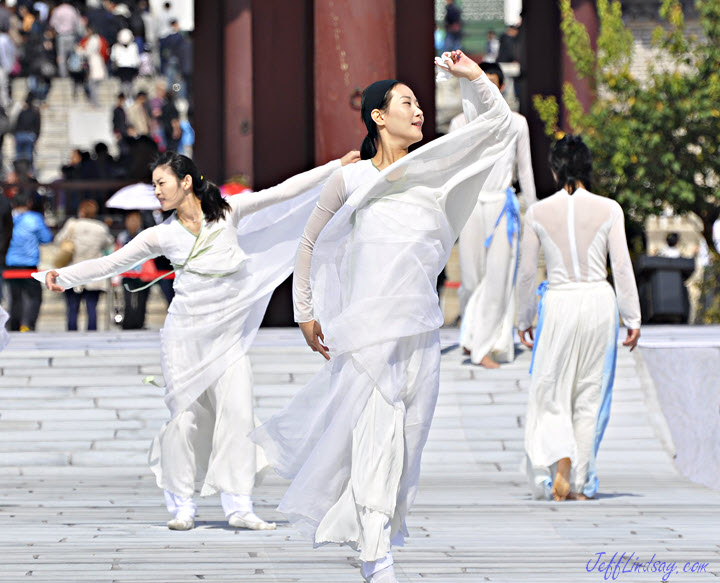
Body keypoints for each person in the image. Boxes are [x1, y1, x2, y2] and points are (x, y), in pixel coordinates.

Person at [251, 51, 519, 583]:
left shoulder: (436, 175)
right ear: (378, 115)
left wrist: (474, 78)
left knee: (409, 441)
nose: (418, 111)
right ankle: (378, 555)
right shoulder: (350, 181)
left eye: (419, 103)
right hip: (369, 332)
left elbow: (501, 127)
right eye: (407, 103)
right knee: (377, 436)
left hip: (421, 332)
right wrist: (306, 312)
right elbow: (307, 243)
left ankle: (375, 530)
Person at [37, 149, 360, 531]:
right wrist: (64, 276)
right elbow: (113, 263)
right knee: (186, 420)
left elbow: (283, 192)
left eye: (162, 183)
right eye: (154, 185)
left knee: (237, 412)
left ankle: (239, 504)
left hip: (227, 338)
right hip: (184, 337)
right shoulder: (161, 234)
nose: (156, 191)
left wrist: (336, 167)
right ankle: (182, 504)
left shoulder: (229, 211)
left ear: (186, 181)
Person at [517, 135, 641, 502]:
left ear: (555, 170)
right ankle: (582, 481)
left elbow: (526, 273)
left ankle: (560, 460)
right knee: (590, 394)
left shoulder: (537, 213)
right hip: (598, 301)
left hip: (558, 302)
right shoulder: (609, 209)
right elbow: (620, 265)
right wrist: (631, 316)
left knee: (551, 390)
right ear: (587, 168)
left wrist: (523, 319)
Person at [448, 61, 536, 368]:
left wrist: (535, 215)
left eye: (493, 83)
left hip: (503, 204)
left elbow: (525, 171)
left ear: (501, 87)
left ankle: (491, 343)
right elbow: (455, 171)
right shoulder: (461, 123)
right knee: (472, 278)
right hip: (471, 206)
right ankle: (472, 337)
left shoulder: (517, 123)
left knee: (499, 276)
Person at [54, 199, 114, 331]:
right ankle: (92, 334)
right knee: (92, 307)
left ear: (81, 211)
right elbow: (108, 244)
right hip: (93, 272)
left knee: (72, 307)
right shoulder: (101, 228)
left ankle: (71, 333)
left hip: (73, 271)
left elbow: (58, 240)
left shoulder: (72, 224)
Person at [5, 191, 52, 331]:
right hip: (28, 263)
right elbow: (47, 238)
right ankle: (28, 324)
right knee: (34, 296)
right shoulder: (34, 218)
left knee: (14, 297)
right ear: (29, 203)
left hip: (10, 263)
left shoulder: (8, 218)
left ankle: (14, 325)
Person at [116, 210, 149, 329]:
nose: (133, 223)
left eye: (136, 220)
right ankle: (128, 322)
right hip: (127, 273)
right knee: (128, 299)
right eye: (131, 220)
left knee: (142, 299)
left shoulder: (145, 235)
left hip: (142, 272)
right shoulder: (123, 236)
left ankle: (139, 322)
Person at [49, 0, 81, 78]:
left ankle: (63, 75)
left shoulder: (58, 10)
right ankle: (74, 72)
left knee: (61, 57)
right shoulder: (72, 10)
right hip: (71, 35)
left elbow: (52, 24)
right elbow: (77, 24)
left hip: (61, 36)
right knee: (72, 56)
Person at [12, 94, 41, 168]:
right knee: (28, 156)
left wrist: (15, 136)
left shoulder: (22, 112)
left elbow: (16, 124)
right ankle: (28, 172)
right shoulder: (35, 112)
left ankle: (18, 170)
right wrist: (37, 137)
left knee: (19, 155)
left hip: (20, 135)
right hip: (29, 136)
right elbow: (37, 125)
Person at [110, 28, 139, 98]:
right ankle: (123, 97)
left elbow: (136, 58)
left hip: (130, 68)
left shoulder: (133, 46)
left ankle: (130, 97)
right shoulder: (116, 47)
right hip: (121, 68)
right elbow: (113, 58)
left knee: (130, 84)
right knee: (123, 84)